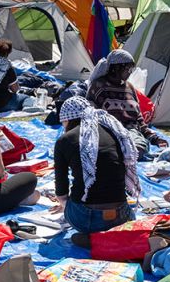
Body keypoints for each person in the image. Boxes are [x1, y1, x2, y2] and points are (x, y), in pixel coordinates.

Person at [52, 96, 138, 233]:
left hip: (86, 218)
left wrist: (66, 205)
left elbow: (61, 190)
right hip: (122, 213)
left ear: (67, 120)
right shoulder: (115, 132)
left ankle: (92, 239)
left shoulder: (65, 140)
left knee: (74, 207)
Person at [87, 48, 167, 154]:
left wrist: (154, 138)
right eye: (128, 69)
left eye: (131, 69)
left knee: (139, 148)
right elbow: (90, 116)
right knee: (110, 150)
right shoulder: (98, 86)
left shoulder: (129, 87)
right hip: (108, 131)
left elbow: (139, 119)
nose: (130, 73)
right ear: (116, 68)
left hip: (130, 132)